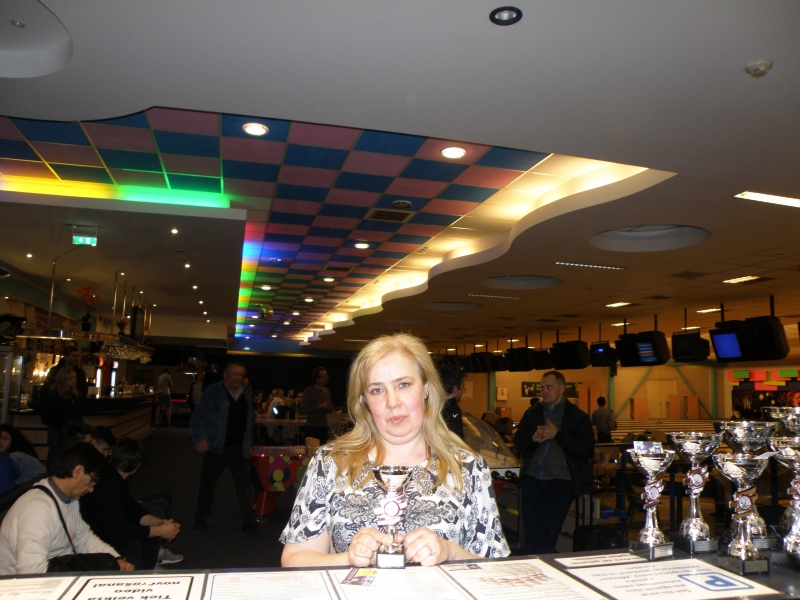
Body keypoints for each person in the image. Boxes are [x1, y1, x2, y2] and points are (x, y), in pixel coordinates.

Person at [281, 333, 509, 567]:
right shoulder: (331, 462)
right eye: (377, 390)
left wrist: (451, 552)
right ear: (364, 400)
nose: (392, 402)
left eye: (403, 385)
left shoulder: (467, 467)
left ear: (426, 388)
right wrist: (350, 558)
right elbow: (294, 559)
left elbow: (496, 569)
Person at [0, 442, 134, 574]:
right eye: (92, 481)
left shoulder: (69, 498)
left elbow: (83, 538)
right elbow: (31, 571)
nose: (91, 489)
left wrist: (116, 558)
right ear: (78, 471)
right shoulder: (37, 508)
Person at [513, 371, 595, 555]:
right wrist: (532, 438)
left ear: (562, 389)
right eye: (542, 387)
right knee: (531, 532)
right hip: (532, 479)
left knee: (548, 534)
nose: (544, 391)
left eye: (549, 387)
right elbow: (518, 444)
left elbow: (586, 449)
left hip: (561, 482)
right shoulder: (532, 414)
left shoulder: (577, 417)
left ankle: (544, 568)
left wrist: (558, 435)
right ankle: (530, 566)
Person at [80, 438, 182, 570]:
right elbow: (117, 528)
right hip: (99, 535)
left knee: (153, 522)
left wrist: (160, 523)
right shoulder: (108, 483)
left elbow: (132, 509)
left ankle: (151, 564)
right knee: (139, 539)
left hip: (109, 527)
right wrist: (160, 530)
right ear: (137, 466)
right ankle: (147, 570)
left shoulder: (114, 477)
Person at [189, 362, 263, 533]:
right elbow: (197, 418)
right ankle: (200, 517)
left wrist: (248, 445)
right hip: (215, 448)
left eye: (240, 374)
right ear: (226, 375)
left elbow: (248, 423)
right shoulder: (212, 392)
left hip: (238, 449)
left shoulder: (246, 394)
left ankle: (248, 521)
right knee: (207, 485)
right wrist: (200, 439)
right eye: (234, 374)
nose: (238, 377)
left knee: (244, 486)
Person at [41, 368, 84, 462]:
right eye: (71, 378)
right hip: (58, 431)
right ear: (63, 378)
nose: (74, 380)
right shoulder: (54, 394)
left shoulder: (75, 395)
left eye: (75, 378)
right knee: (56, 455)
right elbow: (47, 416)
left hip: (71, 431)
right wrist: (64, 425)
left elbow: (78, 413)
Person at [300, 367, 333, 443]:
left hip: (323, 426)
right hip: (312, 426)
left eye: (327, 376)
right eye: (324, 377)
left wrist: (329, 406)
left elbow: (330, 409)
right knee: (311, 447)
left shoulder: (326, 390)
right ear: (317, 379)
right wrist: (319, 406)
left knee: (322, 447)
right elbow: (303, 409)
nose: (327, 378)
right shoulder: (309, 391)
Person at [436, 363, 464, 440]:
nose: (462, 392)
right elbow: (457, 440)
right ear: (455, 389)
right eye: (462, 388)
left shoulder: (432, 405)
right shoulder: (454, 409)